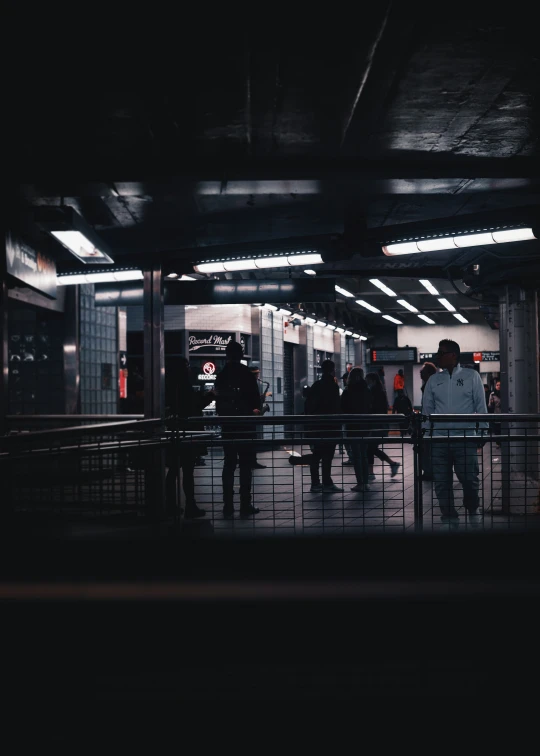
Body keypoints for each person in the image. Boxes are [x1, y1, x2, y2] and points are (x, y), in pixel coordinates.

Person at [422, 339, 488, 522]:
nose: (437, 356)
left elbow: (481, 406)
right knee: (442, 483)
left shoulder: (471, 377)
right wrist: (426, 436)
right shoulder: (434, 380)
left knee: (469, 479)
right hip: (439, 440)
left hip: (465, 438)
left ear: (453, 355)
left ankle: (473, 509)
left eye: (441, 353)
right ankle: (449, 516)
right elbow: (427, 410)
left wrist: (483, 430)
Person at [215, 340, 262, 518]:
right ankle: (245, 503)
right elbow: (255, 401)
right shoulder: (246, 374)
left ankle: (228, 505)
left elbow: (219, 399)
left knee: (229, 464)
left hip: (228, 426)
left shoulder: (222, 374)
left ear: (227, 355)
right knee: (245, 465)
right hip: (245, 425)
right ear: (241, 355)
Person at [166, 357, 215, 519]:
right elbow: (194, 405)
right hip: (187, 434)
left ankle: (170, 505)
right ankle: (190, 505)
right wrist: (210, 396)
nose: (189, 368)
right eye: (186, 365)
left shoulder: (169, 385)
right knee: (188, 471)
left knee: (173, 470)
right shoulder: (184, 385)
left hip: (174, 433)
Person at [289, 360, 342, 493]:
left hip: (315, 427)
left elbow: (309, 405)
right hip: (330, 426)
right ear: (332, 370)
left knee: (317, 454)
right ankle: (327, 483)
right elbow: (336, 407)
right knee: (327, 456)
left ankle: (315, 483)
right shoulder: (333, 386)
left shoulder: (316, 385)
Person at [341, 367, 372, 492]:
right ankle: (366, 482)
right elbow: (371, 406)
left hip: (352, 426)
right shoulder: (367, 390)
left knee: (356, 456)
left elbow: (343, 407)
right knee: (364, 455)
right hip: (365, 426)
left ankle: (360, 482)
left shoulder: (348, 391)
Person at [365, 372, 400, 480]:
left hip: (376, 425)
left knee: (370, 448)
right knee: (371, 448)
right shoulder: (381, 392)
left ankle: (372, 472)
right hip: (381, 425)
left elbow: (372, 409)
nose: (367, 383)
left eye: (368, 381)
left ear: (373, 381)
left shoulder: (374, 392)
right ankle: (391, 464)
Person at [248, 364, 272, 469]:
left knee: (253, 439)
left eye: (258, 374)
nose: (258, 376)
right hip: (250, 415)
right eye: (256, 374)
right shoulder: (248, 384)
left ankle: (253, 461)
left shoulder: (254, 383)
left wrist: (262, 397)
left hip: (253, 413)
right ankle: (251, 461)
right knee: (251, 439)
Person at [419, 362, 438, 480]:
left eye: (422, 371)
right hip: (428, 423)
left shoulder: (430, 386)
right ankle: (428, 470)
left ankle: (429, 471)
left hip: (430, 424)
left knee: (427, 449)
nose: (420, 373)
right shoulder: (428, 385)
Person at [488, 379, 502, 448]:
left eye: (500, 385)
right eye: (497, 385)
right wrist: (492, 403)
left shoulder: (505, 393)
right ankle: (498, 443)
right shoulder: (492, 394)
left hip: (503, 413)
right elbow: (489, 405)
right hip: (496, 413)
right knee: (497, 430)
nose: (498, 386)